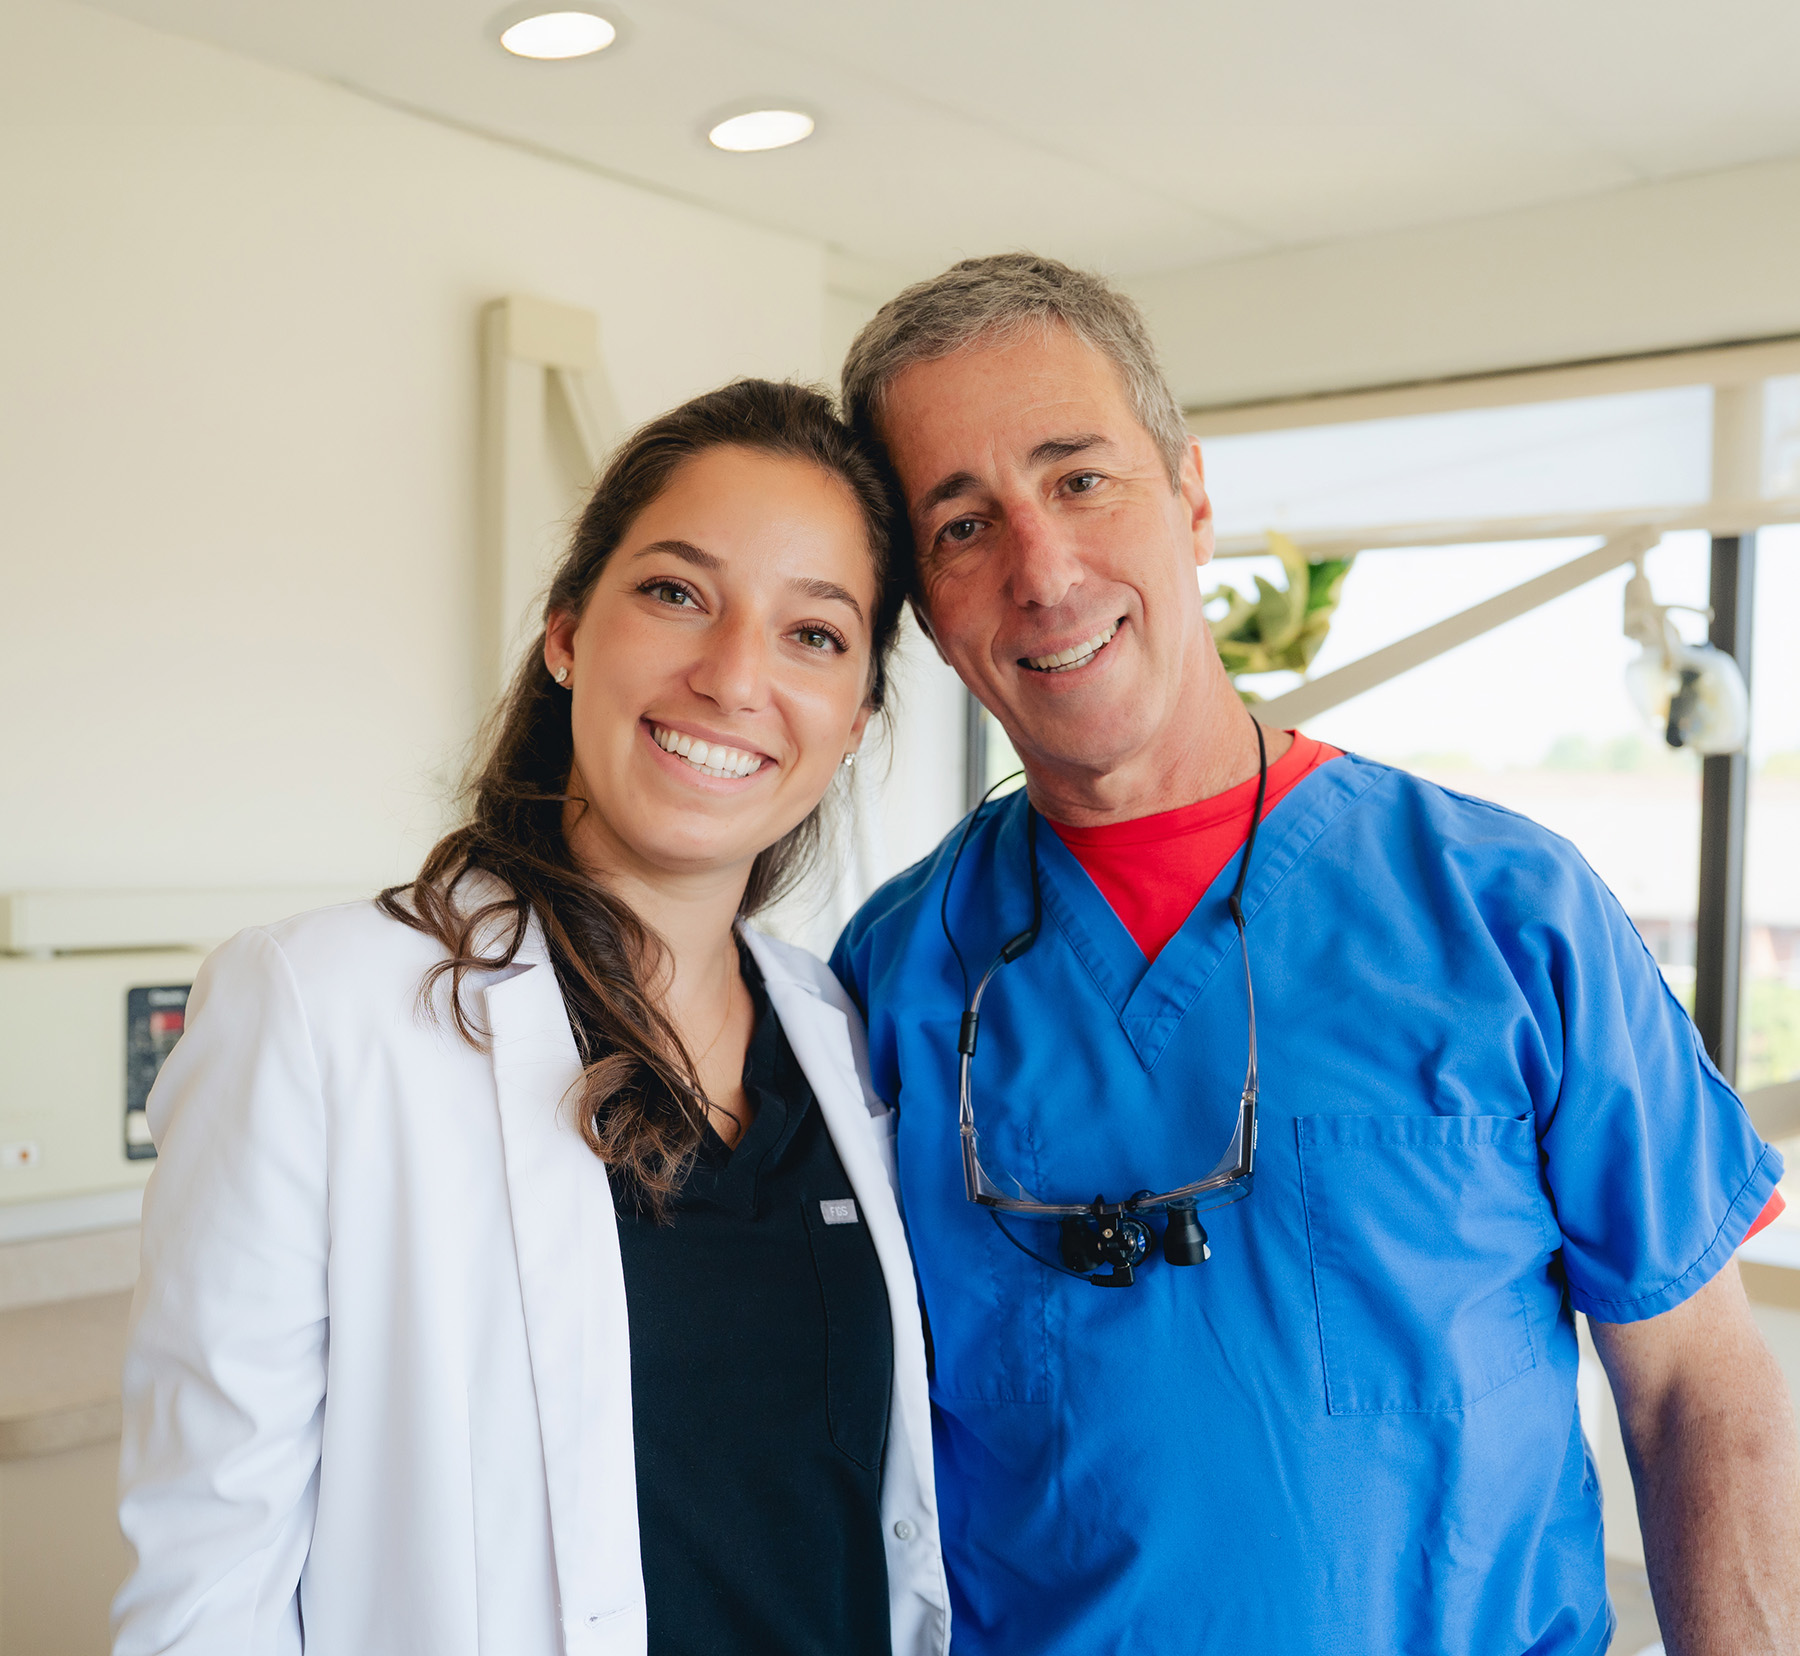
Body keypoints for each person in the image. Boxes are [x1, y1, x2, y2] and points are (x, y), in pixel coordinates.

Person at [830, 254, 1800, 1655]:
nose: (1043, 571)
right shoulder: (894, 978)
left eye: (1081, 479)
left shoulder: (1507, 914)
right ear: (923, 602)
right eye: (963, 524)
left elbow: (1696, 1387)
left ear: (1194, 496)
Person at [112, 380, 949, 1656]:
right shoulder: (322, 1012)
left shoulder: (835, 1032)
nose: (733, 677)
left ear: (856, 725)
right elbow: (204, 1581)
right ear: (567, 633)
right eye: (677, 592)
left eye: (814, 635)